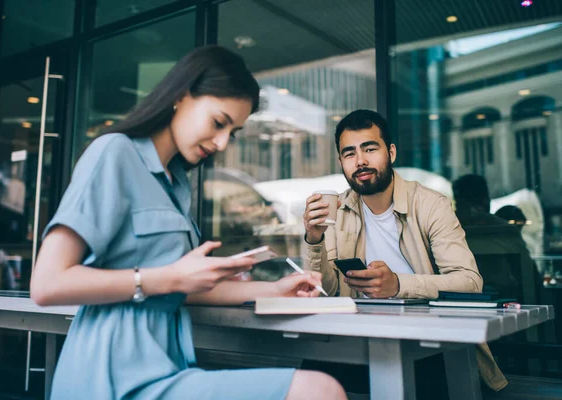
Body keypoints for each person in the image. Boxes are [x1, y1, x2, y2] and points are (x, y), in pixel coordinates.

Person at [31, 46, 346, 400]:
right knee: (318, 390)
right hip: (108, 377)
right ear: (181, 97)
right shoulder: (114, 153)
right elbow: (47, 283)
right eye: (218, 122)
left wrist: (273, 290)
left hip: (166, 369)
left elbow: (185, 288)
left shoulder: (177, 184)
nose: (223, 142)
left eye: (234, 132)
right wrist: (169, 277)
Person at [302, 109, 507, 392]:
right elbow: (327, 291)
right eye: (349, 153)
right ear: (341, 162)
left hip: (428, 340)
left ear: (392, 152)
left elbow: (469, 282)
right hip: (356, 338)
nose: (360, 161)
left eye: (370, 149)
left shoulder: (431, 204)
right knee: (312, 376)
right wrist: (314, 241)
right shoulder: (338, 209)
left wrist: (398, 285)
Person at [453, 175, 536, 301]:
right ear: (486, 200)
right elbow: (528, 276)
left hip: (452, 302)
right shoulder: (504, 230)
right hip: (502, 301)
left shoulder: (445, 229)